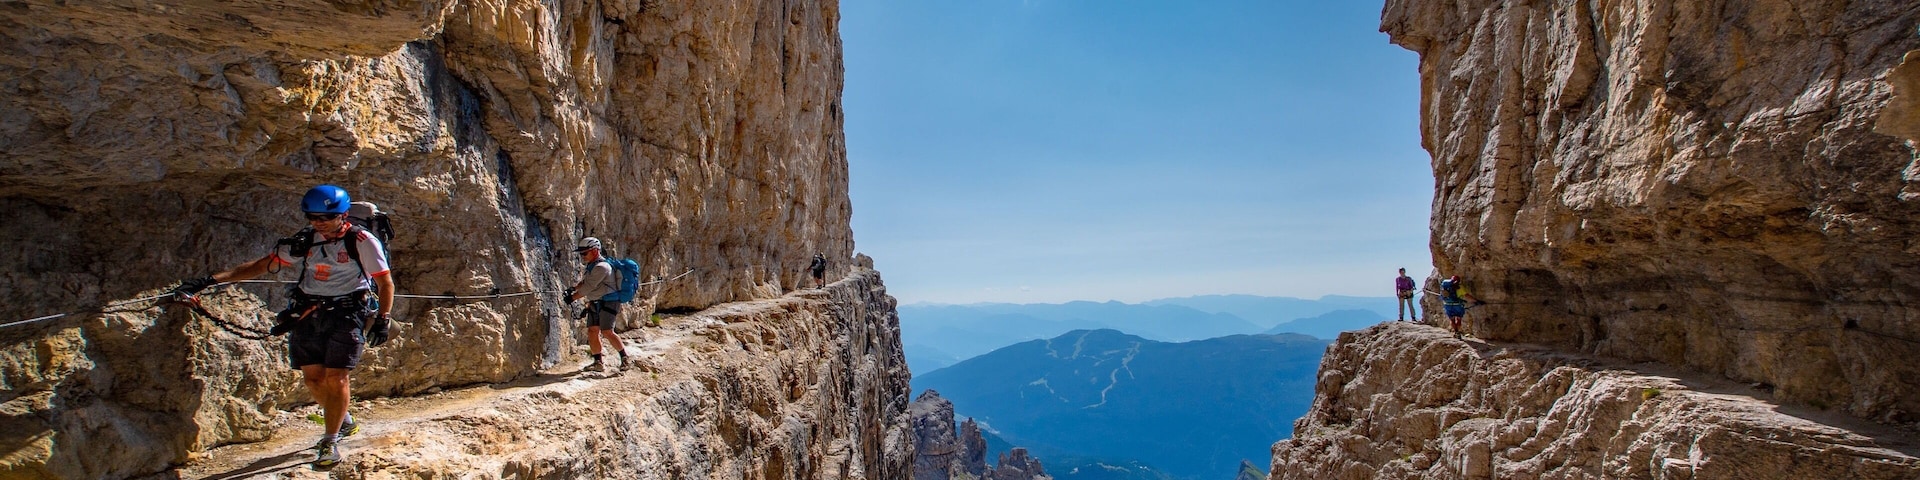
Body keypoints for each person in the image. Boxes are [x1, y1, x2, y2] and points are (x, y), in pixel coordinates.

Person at [172, 184, 393, 469]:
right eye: (312, 217)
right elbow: (263, 265)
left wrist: (383, 319)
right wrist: (209, 281)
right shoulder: (306, 241)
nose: (318, 222)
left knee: (336, 377)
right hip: (309, 312)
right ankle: (343, 420)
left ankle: (329, 440)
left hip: (347, 313)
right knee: (313, 379)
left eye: (324, 217)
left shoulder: (361, 240)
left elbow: (385, 281)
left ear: (343, 215)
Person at [568, 237, 631, 372]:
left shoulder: (602, 267)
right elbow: (585, 282)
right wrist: (574, 288)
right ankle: (598, 362)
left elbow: (588, 287)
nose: (582, 256)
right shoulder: (592, 266)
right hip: (596, 302)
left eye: (585, 253)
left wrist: (572, 298)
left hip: (609, 302)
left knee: (607, 331)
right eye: (581, 253)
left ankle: (625, 358)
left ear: (595, 251)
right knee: (592, 331)